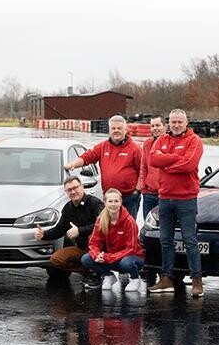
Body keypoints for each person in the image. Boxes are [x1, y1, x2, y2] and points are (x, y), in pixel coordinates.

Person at [147, 108, 205, 297]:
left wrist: (167, 164)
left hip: (186, 199)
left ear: (186, 122)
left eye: (180, 122)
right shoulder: (162, 139)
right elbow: (153, 159)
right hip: (165, 198)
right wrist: (174, 159)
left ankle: (196, 280)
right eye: (173, 122)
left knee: (190, 240)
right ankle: (166, 278)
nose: (176, 125)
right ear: (168, 123)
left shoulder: (194, 140)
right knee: (165, 240)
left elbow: (189, 164)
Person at [63, 115, 142, 218]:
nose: (116, 131)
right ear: (109, 130)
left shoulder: (134, 148)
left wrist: (137, 189)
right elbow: (87, 157)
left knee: (128, 227)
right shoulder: (102, 146)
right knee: (108, 227)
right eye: (113, 128)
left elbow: (143, 169)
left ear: (125, 130)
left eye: (119, 128)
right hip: (109, 198)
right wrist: (73, 164)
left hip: (128, 197)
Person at [34, 176, 105, 287]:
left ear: (82, 187)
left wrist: (79, 231)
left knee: (91, 236)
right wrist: (44, 234)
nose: (73, 192)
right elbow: (60, 229)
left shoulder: (95, 203)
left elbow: (102, 225)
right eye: (69, 190)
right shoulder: (68, 208)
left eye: (75, 188)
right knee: (56, 259)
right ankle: (89, 271)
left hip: (100, 250)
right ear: (66, 192)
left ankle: (97, 271)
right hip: (81, 248)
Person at [80, 188, 146, 293]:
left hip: (132, 258)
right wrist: (97, 255)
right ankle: (108, 276)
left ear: (121, 202)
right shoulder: (101, 219)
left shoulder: (129, 221)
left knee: (126, 262)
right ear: (105, 202)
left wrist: (108, 257)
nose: (113, 204)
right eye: (110, 201)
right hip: (112, 258)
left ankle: (134, 278)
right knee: (86, 259)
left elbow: (131, 249)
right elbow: (93, 243)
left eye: (116, 201)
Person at [138, 114, 166, 220]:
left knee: (164, 226)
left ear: (164, 126)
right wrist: (143, 188)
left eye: (158, 125)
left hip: (165, 195)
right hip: (149, 194)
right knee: (148, 226)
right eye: (152, 126)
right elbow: (143, 166)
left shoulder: (170, 143)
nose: (155, 128)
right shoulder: (147, 144)